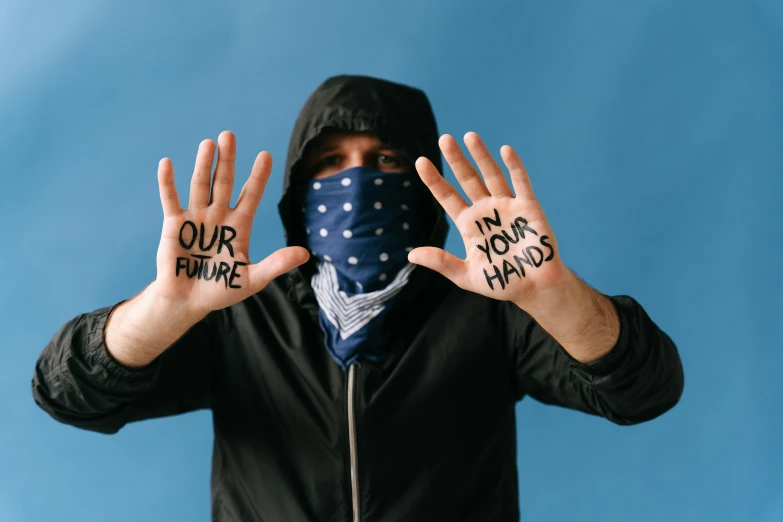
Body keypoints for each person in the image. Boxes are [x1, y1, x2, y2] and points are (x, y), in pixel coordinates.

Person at [32, 75, 684, 521]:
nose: (357, 182)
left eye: (387, 163)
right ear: (299, 189)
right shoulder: (232, 317)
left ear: (421, 185)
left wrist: (553, 293)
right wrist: (165, 308)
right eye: (329, 164)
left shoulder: (488, 311)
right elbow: (69, 395)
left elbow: (642, 390)